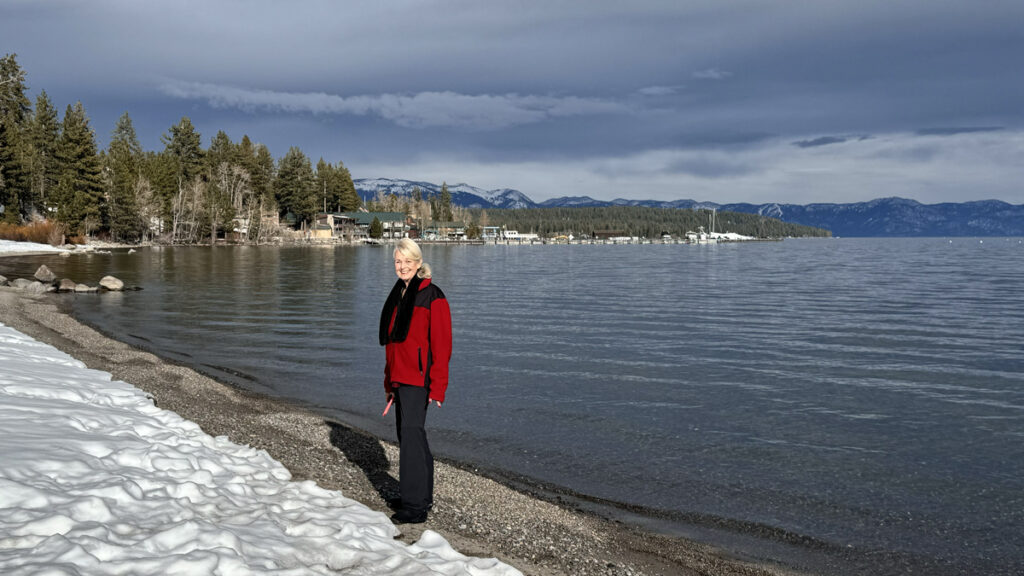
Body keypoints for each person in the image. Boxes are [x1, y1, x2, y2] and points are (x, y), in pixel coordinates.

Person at [378, 238, 452, 524]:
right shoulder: (398, 294)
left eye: (408, 261)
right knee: (410, 436)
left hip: (418, 379)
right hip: (400, 377)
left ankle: (414, 506)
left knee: (411, 436)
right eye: (398, 261)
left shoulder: (432, 295)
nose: (402, 266)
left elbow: (442, 345)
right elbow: (393, 346)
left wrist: (438, 387)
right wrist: (388, 383)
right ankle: (420, 495)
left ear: (418, 263)